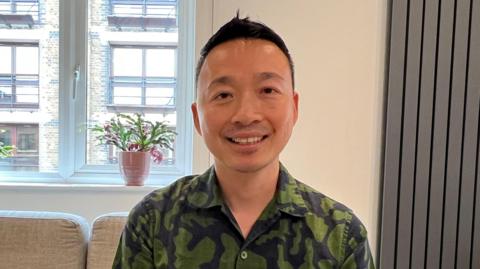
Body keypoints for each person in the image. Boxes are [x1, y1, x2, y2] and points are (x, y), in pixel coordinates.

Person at [113, 14, 375, 269]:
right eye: (224, 94)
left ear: (294, 108)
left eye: (268, 90)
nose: (246, 115)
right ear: (197, 117)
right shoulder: (152, 222)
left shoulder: (341, 235)